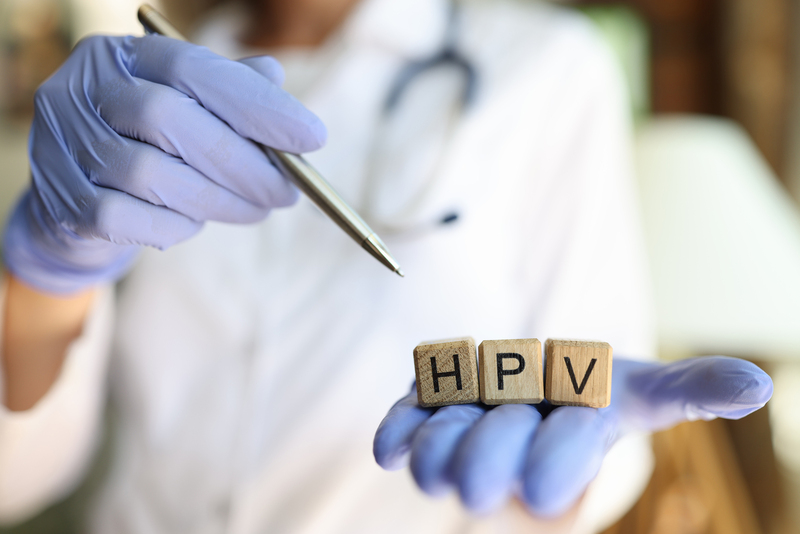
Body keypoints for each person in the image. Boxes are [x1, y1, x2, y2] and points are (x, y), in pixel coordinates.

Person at [0, 0, 772, 532]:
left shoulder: (551, 71)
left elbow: (593, 438)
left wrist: (560, 475)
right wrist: (43, 269)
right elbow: (20, 475)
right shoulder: (137, 97)